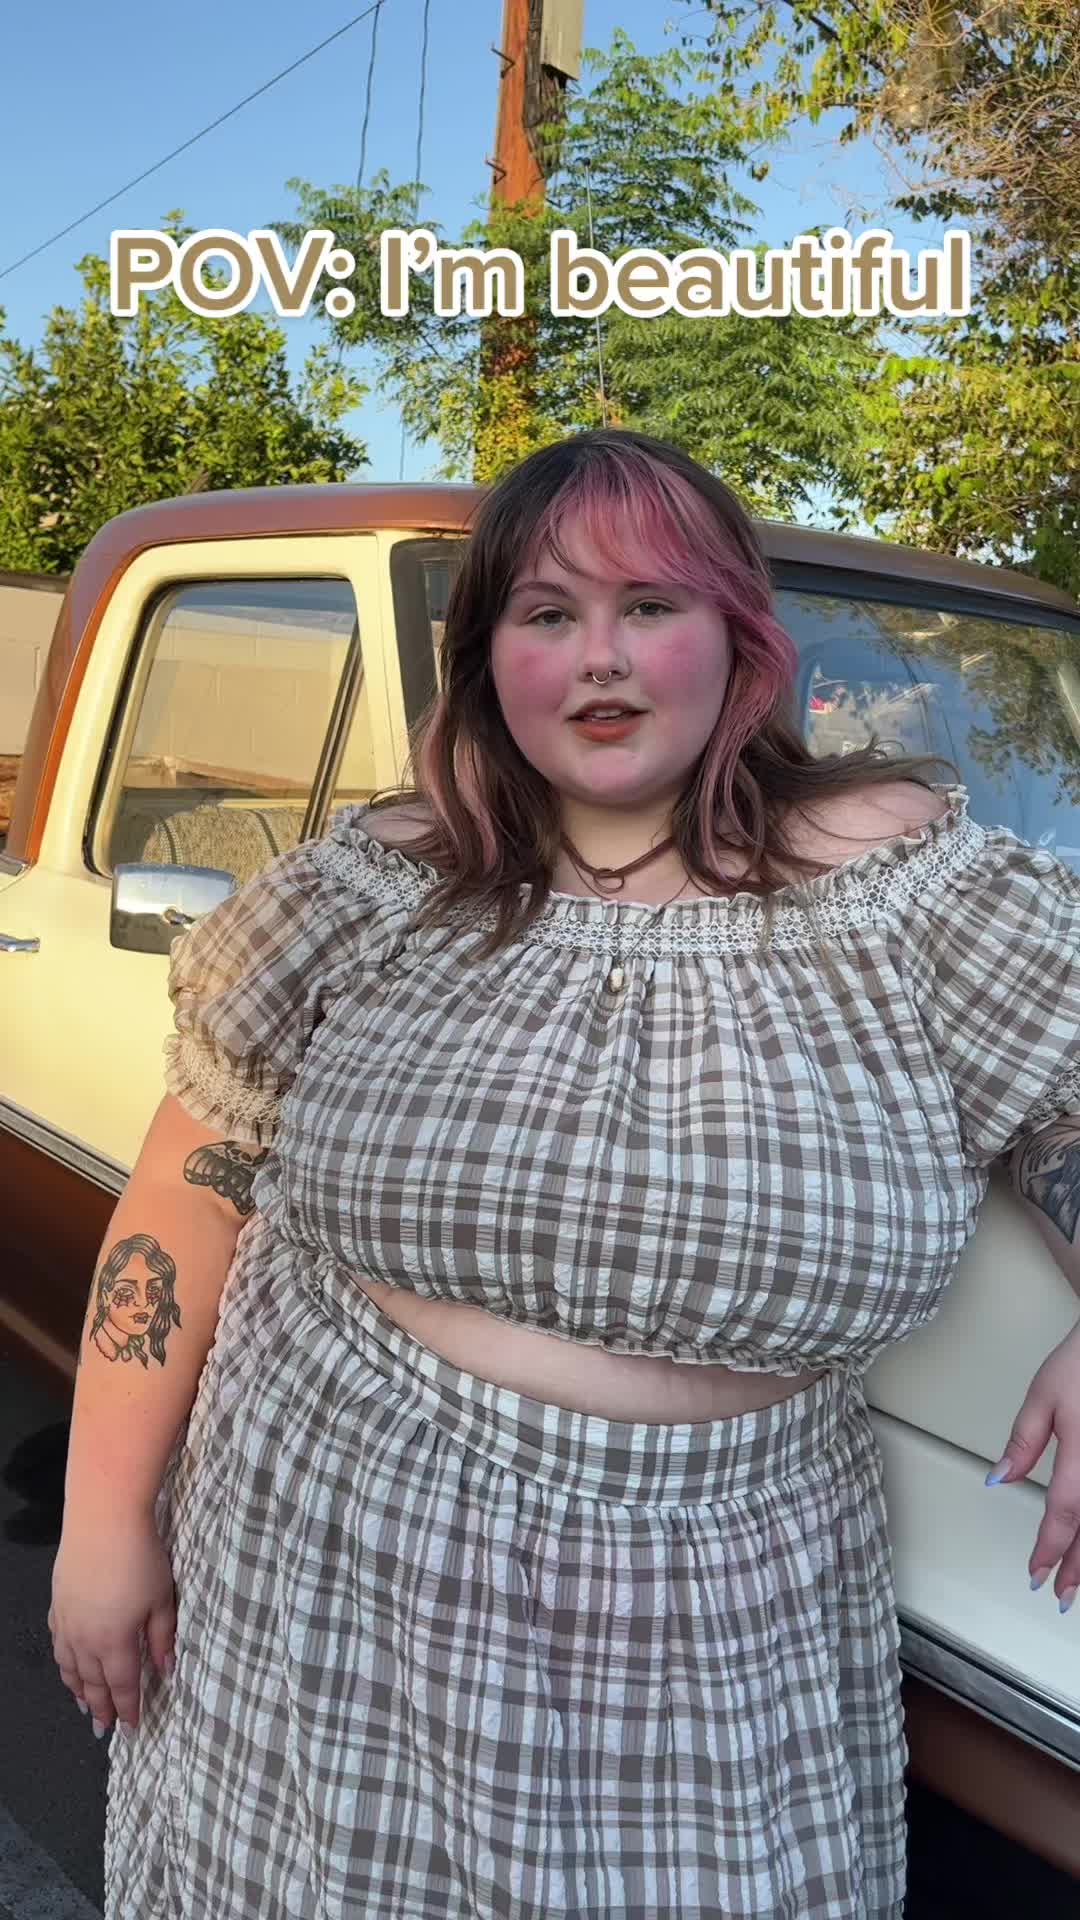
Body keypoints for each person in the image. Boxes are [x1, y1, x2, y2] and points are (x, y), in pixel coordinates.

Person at [50, 429, 1080, 1919]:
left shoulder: (909, 890)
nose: (601, 655)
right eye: (548, 613)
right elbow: (185, 1197)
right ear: (489, 662)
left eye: (649, 605)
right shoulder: (375, 889)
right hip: (328, 1558)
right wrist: (102, 1532)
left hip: (723, 1619)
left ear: (738, 642)